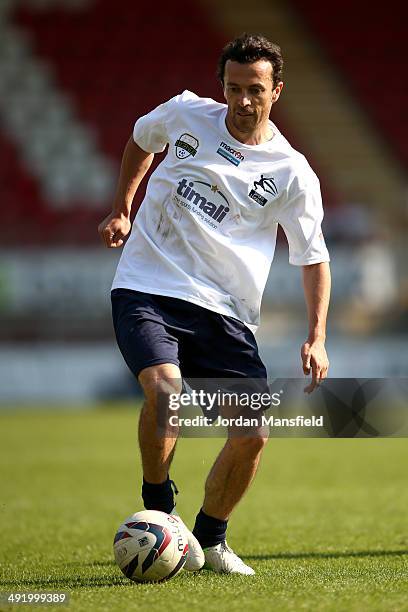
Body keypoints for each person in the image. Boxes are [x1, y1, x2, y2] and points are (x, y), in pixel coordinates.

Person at [98, 33, 331, 575]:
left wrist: (317, 335)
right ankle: (159, 510)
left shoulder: (292, 173)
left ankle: (211, 541)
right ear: (221, 86)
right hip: (148, 286)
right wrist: (122, 208)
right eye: (233, 88)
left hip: (225, 312)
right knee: (165, 390)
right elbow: (140, 139)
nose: (242, 101)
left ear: (277, 91)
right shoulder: (185, 113)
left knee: (253, 433)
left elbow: (313, 258)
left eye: (255, 89)